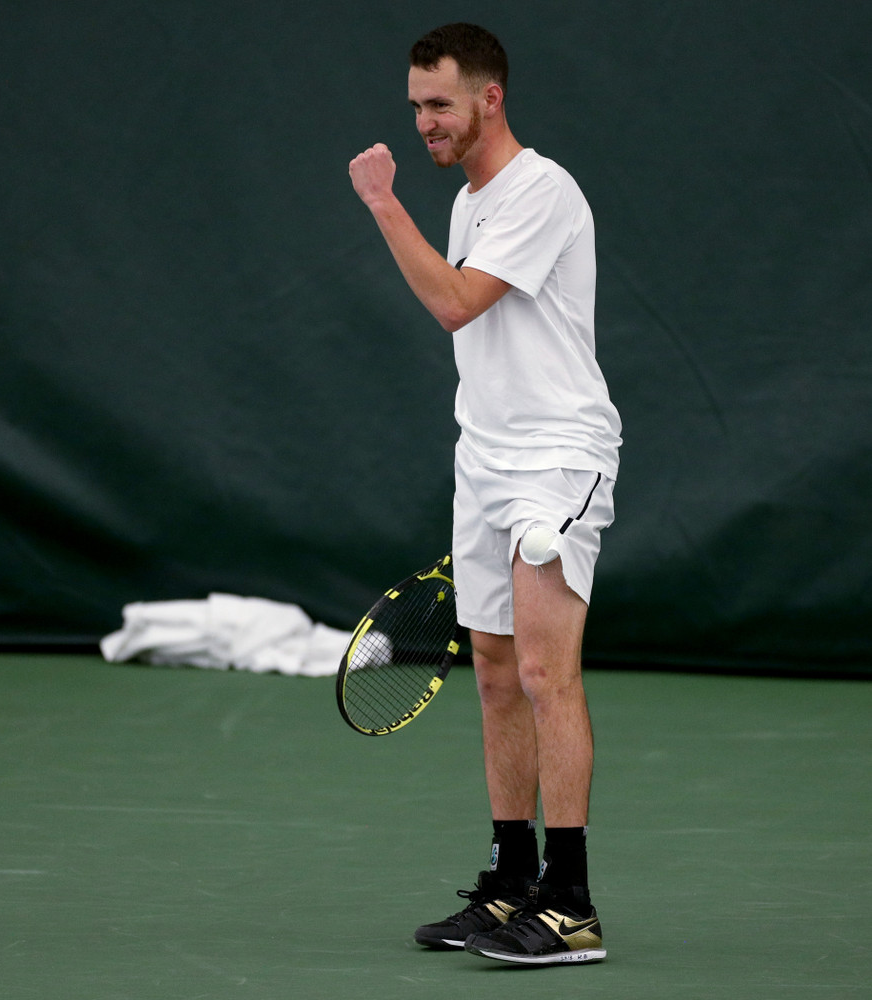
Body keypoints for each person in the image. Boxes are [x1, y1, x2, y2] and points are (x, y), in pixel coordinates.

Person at [349, 23, 621, 966]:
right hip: (486, 459)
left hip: (557, 460)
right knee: (498, 676)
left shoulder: (542, 190)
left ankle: (571, 904)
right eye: (417, 105)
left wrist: (382, 205)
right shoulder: (471, 204)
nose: (425, 121)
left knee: (548, 674)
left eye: (441, 105)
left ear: (490, 99)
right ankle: (511, 886)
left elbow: (457, 304)